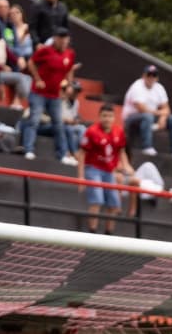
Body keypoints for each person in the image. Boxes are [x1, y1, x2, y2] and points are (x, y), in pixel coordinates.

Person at [19, 26, 75, 164]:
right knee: (34, 120)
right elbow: (31, 62)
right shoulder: (45, 51)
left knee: (58, 124)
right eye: (60, 38)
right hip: (39, 93)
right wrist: (37, 79)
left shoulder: (70, 54)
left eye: (65, 38)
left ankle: (62, 154)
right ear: (55, 39)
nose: (62, 41)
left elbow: (69, 70)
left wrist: (68, 85)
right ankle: (29, 149)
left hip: (55, 94)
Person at [77, 104, 132, 235]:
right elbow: (82, 154)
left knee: (114, 203)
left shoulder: (119, 131)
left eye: (110, 116)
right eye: (104, 116)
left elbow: (121, 151)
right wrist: (80, 176)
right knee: (97, 199)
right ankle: (92, 232)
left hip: (109, 171)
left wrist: (126, 165)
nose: (107, 119)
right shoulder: (91, 131)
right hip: (93, 169)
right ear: (99, 117)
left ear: (114, 118)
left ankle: (109, 233)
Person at [121, 65, 172, 158]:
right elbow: (141, 108)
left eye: (154, 75)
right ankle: (146, 147)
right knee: (147, 116)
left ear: (157, 78)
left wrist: (163, 117)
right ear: (143, 76)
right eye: (149, 75)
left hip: (150, 118)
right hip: (132, 118)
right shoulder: (137, 86)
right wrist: (160, 113)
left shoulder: (159, 88)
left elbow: (167, 108)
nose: (151, 78)